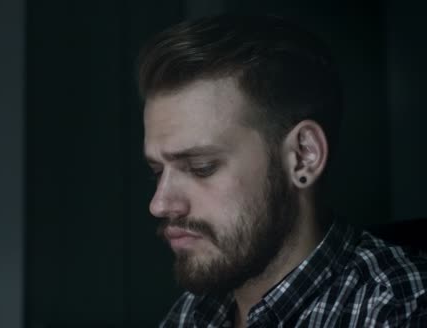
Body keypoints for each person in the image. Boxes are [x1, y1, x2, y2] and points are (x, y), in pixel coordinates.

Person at [138, 14, 427, 327]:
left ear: (303, 157)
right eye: (157, 171)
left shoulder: (399, 311)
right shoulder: (192, 312)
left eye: (200, 168)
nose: (160, 204)